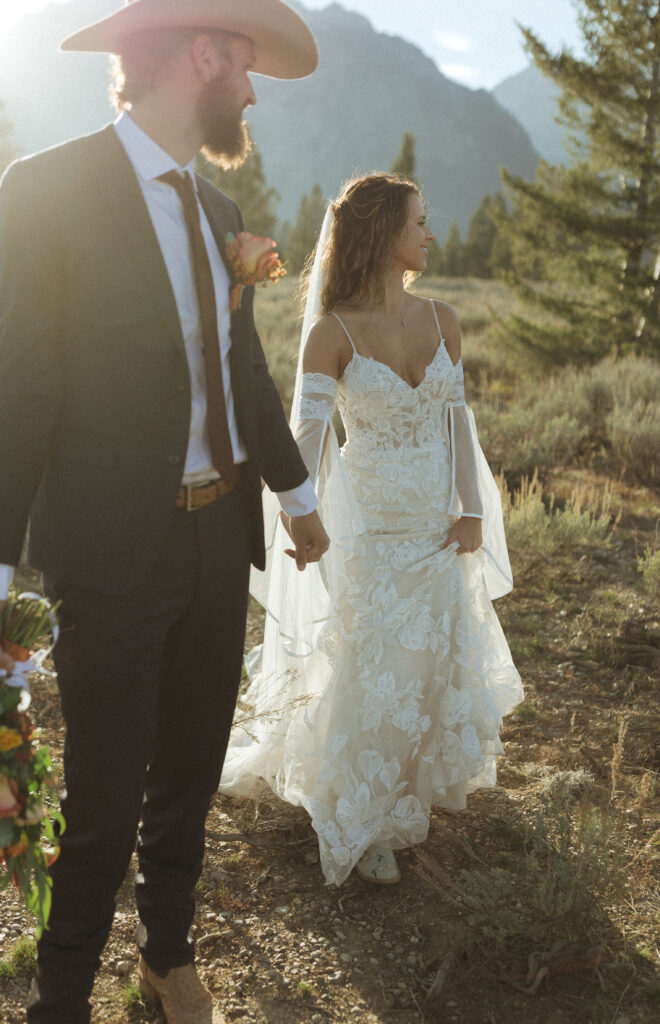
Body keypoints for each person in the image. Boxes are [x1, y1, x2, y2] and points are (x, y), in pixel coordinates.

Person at [0, 1, 329, 1021]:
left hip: (216, 535)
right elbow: (21, 388)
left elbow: (244, 373)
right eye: (242, 64)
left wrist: (296, 489)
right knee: (102, 800)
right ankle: (60, 997)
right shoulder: (44, 193)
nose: (250, 87)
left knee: (189, 769)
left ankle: (166, 955)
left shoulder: (222, 218)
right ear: (200, 55)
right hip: (111, 552)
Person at [220, 173, 523, 886]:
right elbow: (306, 432)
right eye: (419, 222)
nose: (429, 233)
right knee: (371, 667)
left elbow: (456, 419)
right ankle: (367, 813)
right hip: (369, 527)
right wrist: (303, 516)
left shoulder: (443, 318)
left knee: (427, 661)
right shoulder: (333, 332)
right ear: (385, 233)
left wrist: (471, 507)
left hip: (436, 525)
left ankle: (412, 785)